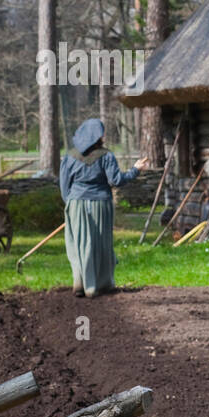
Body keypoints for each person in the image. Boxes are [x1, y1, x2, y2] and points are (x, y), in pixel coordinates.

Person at [59, 118, 149, 297]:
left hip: (76, 203)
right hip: (101, 204)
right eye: (102, 133)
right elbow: (116, 181)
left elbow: (63, 184)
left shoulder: (70, 156)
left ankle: (80, 281)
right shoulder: (106, 156)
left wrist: (70, 204)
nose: (104, 136)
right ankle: (98, 285)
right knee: (100, 243)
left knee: (77, 244)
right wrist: (135, 170)